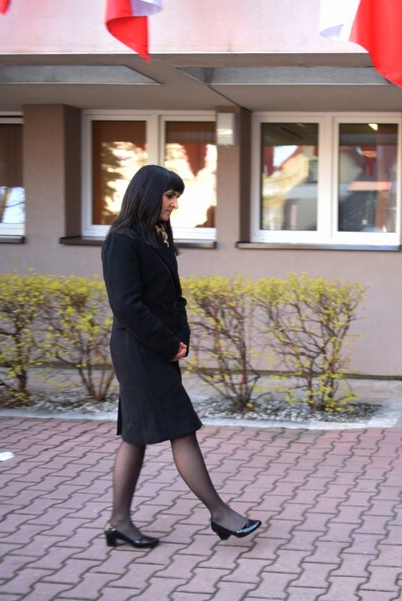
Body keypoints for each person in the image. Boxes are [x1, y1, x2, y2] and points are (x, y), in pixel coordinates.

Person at [101, 165, 261, 548]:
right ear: (148, 193)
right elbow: (126, 305)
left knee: (136, 436)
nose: (174, 204)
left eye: (177, 197)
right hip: (140, 351)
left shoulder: (156, 235)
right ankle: (220, 514)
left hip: (157, 347)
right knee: (181, 427)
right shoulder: (121, 240)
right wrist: (167, 344)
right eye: (170, 196)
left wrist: (181, 336)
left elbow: (175, 296)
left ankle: (119, 522)